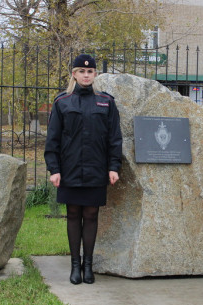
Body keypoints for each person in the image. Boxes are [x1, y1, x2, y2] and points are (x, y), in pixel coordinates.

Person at [44, 54, 122, 285]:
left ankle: (89, 266)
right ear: (74, 74)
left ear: (95, 74)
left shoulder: (106, 102)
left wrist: (113, 167)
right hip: (69, 170)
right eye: (81, 71)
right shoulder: (62, 102)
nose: (86, 75)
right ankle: (75, 266)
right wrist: (54, 169)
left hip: (96, 169)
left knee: (91, 215)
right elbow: (53, 139)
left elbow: (114, 139)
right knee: (73, 215)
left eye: (90, 72)